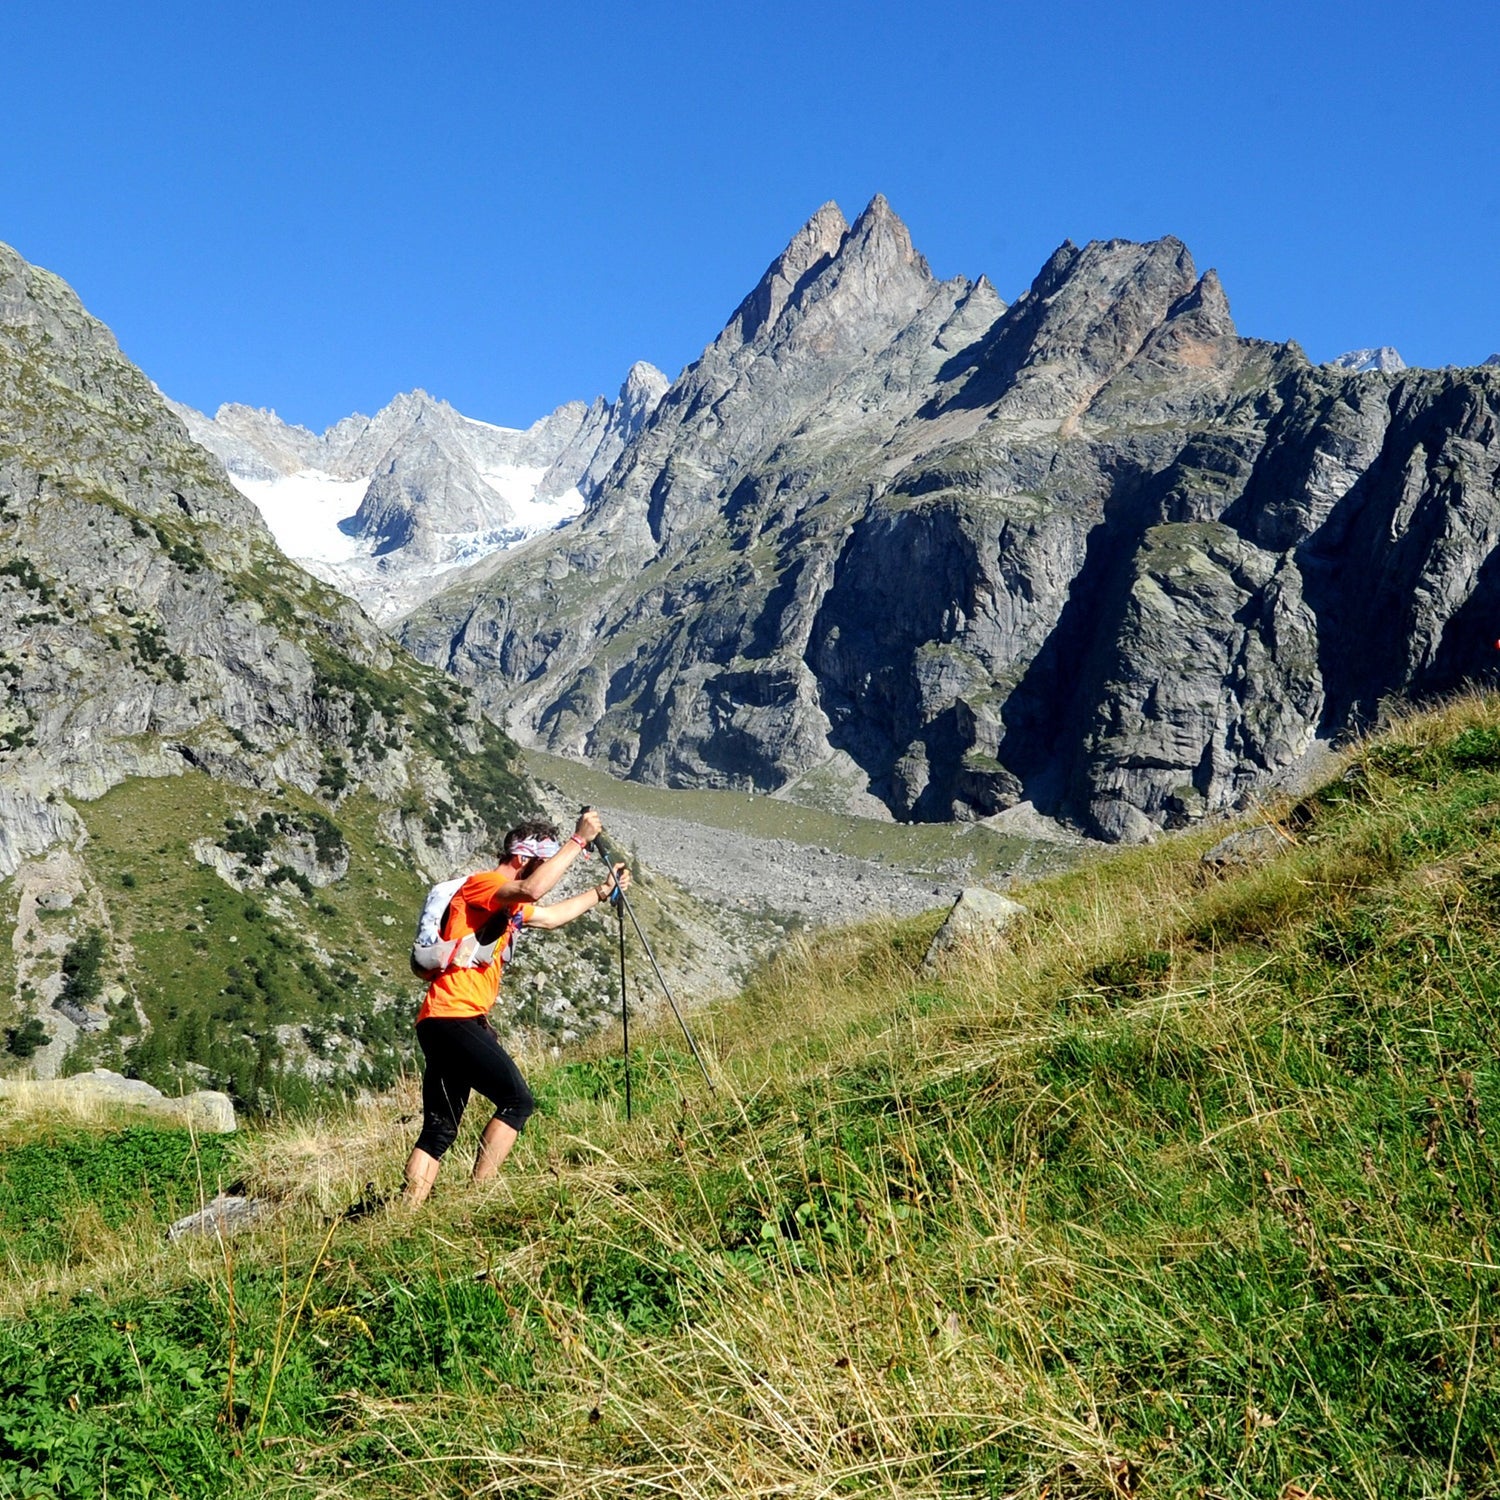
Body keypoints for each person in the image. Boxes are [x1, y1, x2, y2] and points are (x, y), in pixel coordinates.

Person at [401, 807, 630, 1205]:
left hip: (439, 1020)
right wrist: (578, 840)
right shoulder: (484, 886)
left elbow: (551, 916)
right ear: (523, 859)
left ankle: (404, 1212)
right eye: (540, 864)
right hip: (455, 1016)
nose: (542, 872)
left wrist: (599, 891)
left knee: (440, 1129)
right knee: (517, 1101)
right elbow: (533, 891)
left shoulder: (504, 905)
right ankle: (479, 1198)